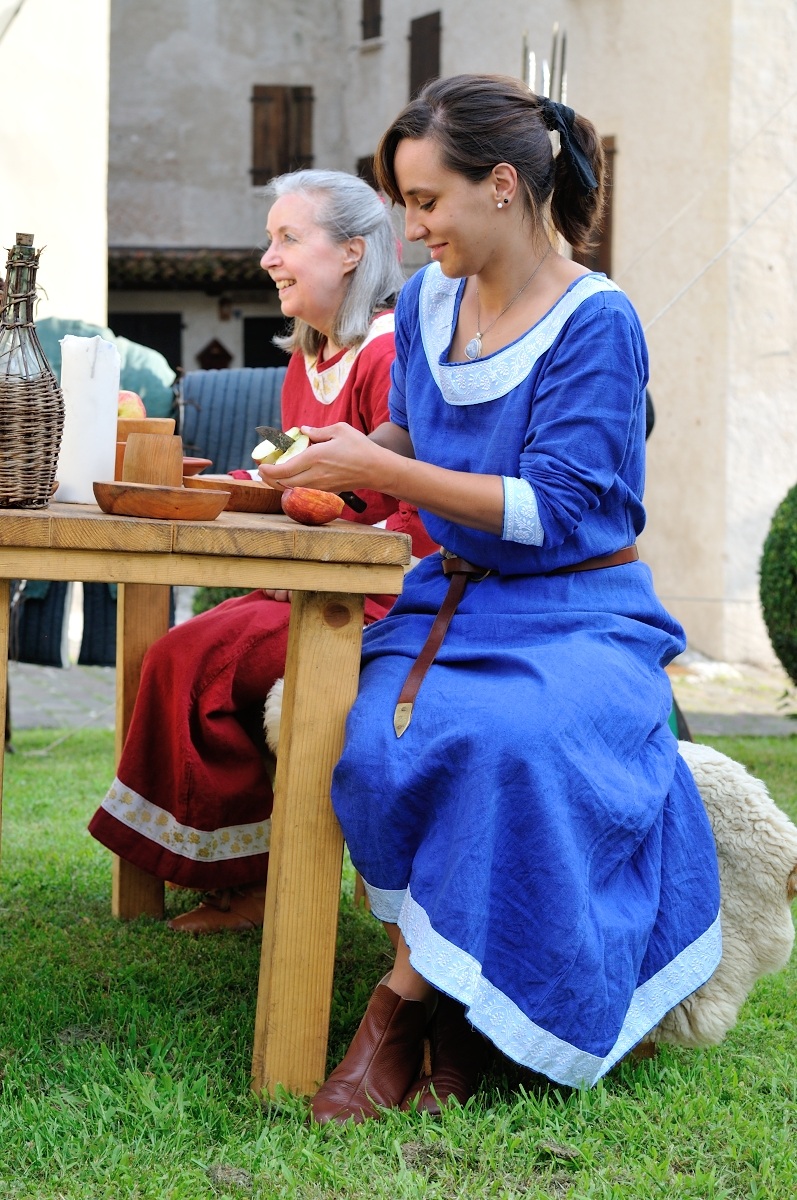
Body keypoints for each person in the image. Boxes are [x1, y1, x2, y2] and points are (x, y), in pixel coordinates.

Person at [257, 75, 722, 1121]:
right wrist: (340, 459)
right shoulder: (426, 303)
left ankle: (397, 1012)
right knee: (374, 744)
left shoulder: (595, 324)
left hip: (579, 615)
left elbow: (553, 511)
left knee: (509, 742)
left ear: (502, 186)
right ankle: (459, 1022)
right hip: (454, 604)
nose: (409, 227)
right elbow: (422, 440)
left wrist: (384, 470)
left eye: (424, 202)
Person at [88, 169, 437, 933]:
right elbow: (295, 485)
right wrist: (248, 485)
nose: (268, 258)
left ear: (351, 252)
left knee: (193, 657)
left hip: (379, 598)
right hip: (302, 583)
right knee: (180, 649)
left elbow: (416, 517)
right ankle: (233, 860)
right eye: (269, 240)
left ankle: (254, 876)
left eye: (287, 239)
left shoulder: (386, 357)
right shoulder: (306, 358)